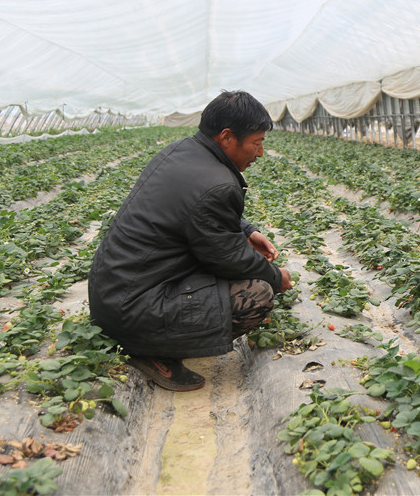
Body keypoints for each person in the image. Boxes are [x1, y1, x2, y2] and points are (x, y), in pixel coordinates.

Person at [88, 90, 291, 391]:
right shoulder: (218, 184)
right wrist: (276, 277)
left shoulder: (180, 151)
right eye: (257, 143)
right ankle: (149, 350)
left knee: (237, 271)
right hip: (133, 311)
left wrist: (247, 231)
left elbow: (193, 207)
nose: (259, 153)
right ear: (226, 137)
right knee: (256, 294)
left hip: (114, 294)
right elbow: (229, 258)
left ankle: (146, 337)